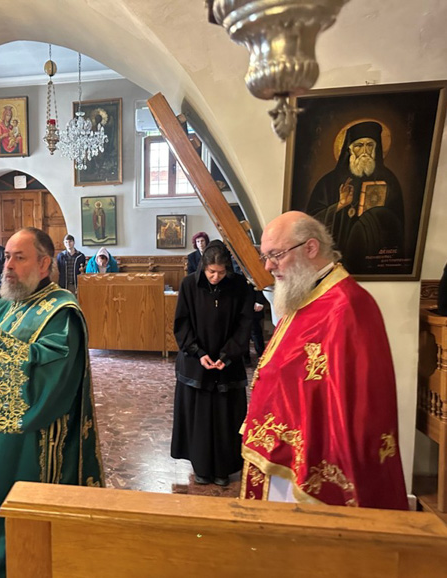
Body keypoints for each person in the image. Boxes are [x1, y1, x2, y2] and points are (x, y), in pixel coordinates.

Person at [0, 227, 104, 578]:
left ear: (44, 264)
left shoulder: (61, 312)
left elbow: (52, 376)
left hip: (33, 440)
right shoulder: (5, 305)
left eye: (19, 257)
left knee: (19, 522)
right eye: (7, 256)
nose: (7, 265)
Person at [240, 211, 408, 509]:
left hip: (315, 459)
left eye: (276, 255)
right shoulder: (306, 293)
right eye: (265, 256)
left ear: (310, 248)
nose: (268, 266)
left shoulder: (347, 307)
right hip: (280, 454)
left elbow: (353, 407)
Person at [172, 240, 252, 487]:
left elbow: (244, 324)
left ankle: (223, 469)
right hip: (197, 362)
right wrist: (198, 352)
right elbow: (182, 323)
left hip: (228, 364)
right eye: (211, 272)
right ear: (203, 268)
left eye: (221, 272)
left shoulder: (239, 286)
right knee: (200, 417)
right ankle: (201, 467)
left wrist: (227, 355)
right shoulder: (189, 285)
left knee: (226, 417)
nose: (216, 277)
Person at [305, 120, 405, 275]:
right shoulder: (328, 182)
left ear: (376, 148)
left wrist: (376, 216)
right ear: (349, 149)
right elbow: (310, 225)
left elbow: (397, 224)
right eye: (359, 145)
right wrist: (339, 205)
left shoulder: (389, 180)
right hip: (334, 265)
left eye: (369, 145)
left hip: (372, 258)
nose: (365, 151)